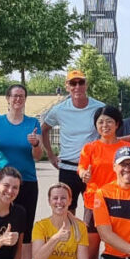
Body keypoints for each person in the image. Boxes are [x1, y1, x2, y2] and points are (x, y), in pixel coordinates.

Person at [0, 84, 42, 259]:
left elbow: (37, 156)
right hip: (0, 182)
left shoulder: (33, 123)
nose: (18, 99)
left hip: (27, 182)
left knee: (24, 231)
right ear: (7, 98)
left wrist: (35, 144)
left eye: (22, 96)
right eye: (15, 95)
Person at [77, 106, 130, 259]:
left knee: (118, 248)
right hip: (94, 203)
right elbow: (82, 169)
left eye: (109, 121)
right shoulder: (90, 148)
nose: (105, 125)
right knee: (90, 250)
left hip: (120, 202)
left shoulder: (127, 149)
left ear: (117, 124)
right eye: (100, 122)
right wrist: (84, 174)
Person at [41, 70, 104, 213]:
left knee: (95, 213)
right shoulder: (59, 110)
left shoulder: (99, 108)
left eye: (81, 82)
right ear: (67, 86)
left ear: (86, 85)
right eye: (73, 83)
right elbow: (44, 130)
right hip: (68, 169)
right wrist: (50, 155)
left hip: (92, 169)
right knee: (67, 212)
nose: (77, 87)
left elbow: (109, 132)